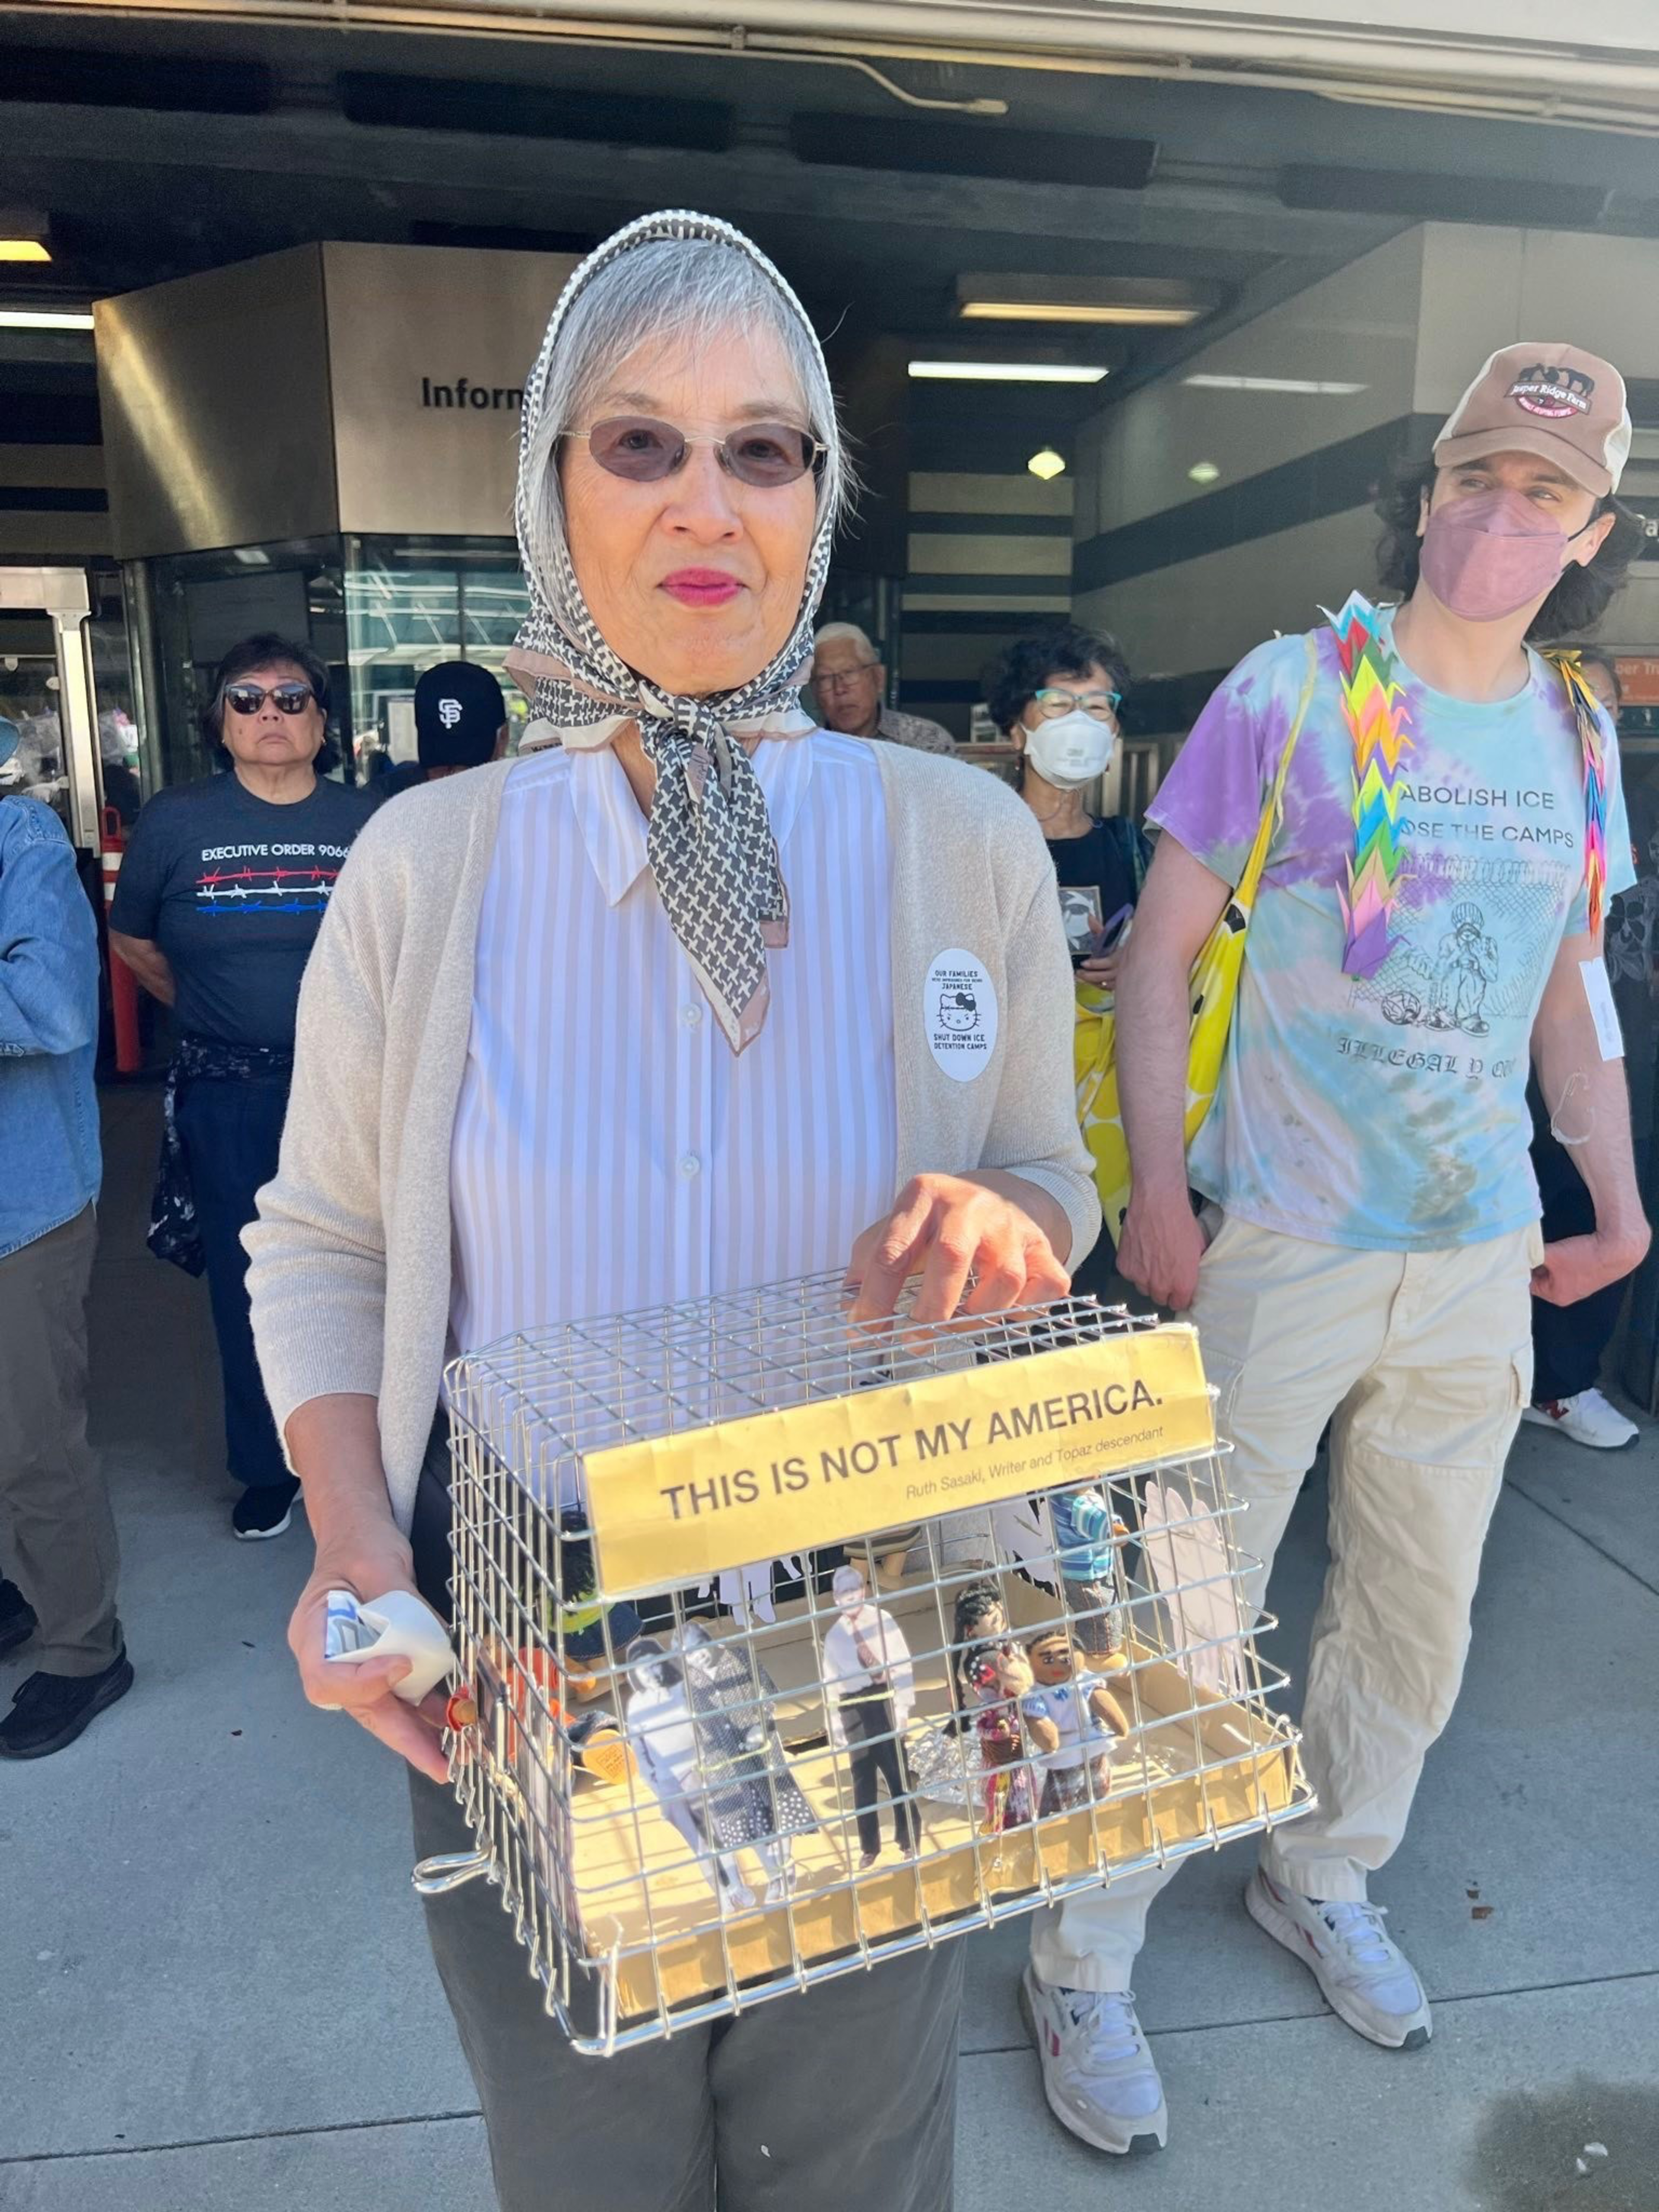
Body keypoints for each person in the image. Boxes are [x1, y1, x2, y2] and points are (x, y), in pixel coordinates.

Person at [246, 210, 1096, 2212]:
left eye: (765, 447)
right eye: (639, 442)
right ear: (550, 482)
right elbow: (329, 1237)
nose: (705, 499)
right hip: (526, 1661)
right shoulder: (429, 864)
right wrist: (354, 1536)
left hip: (870, 1621)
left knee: (854, 2162)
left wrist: (1006, 1222)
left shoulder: (954, 837)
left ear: (822, 500)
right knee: (588, 2164)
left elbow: (1051, 1175)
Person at [1022, 340, 1649, 2157]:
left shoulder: (1573, 730)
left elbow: (1563, 986)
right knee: (1186, 1613)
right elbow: (1154, 952)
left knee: (1416, 1612)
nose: (1496, 513)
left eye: (1541, 491)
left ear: (1588, 529)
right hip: (1281, 1237)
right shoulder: (1292, 691)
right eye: (1473, 476)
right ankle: (1080, 1951)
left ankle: (1323, 1868)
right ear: (1426, 490)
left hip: (1471, 1255)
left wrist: (1611, 1197)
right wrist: (1154, 1187)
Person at [109, 636, 373, 1540]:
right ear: (219, 722)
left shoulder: (369, 820)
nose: (271, 714)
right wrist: (216, 1011)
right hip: (231, 1095)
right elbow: (134, 938)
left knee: (370, 1274)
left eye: (292, 698)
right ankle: (266, 1465)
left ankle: (369, 1453)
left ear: (323, 722)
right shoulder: (177, 822)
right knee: (248, 1285)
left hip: (354, 1093)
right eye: (247, 698)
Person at [0, 715, 132, 1758]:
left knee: (35, 1444)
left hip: (23, 1207)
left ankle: (84, 1651)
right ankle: (15, 1592)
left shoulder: (23, 842)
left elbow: (50, 1008)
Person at [1522, 646, 1646, 1448]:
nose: (1591, 722)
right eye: (1578, 704)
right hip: (1520, 1067)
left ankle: (1562, 1381)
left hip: (1611, 1057)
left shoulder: (1611, 807)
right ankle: (1538, 1381)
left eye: (1606, 707)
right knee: (1546, 1213)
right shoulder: (1514, 802)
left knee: (1601, 1213)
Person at [988, 621, 1148, 993]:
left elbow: (1175, 954)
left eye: (1097, 706)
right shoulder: (980, 843)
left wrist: (1135, 960)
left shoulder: (1134, 850)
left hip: (1102, 1048)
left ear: (1114, 736)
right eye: (1058, 704)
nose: (1079, 722)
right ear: (1016, 730)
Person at [810, 621, 956, 754]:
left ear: (878, 678)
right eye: (825, 678)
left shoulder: (925, 741)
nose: (839, 689)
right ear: (815, 693)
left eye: (850, 673)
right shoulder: (807, 751)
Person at [375, 660, 509, 802]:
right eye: (442, 767)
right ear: (503, 738)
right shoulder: (524, 806)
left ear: (503, 738)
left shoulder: (388, 808)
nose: (454, 778)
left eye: (470, 767)